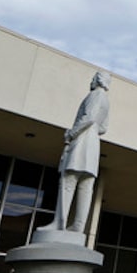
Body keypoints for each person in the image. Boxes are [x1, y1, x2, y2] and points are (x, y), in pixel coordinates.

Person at [48, 71, 110, 234]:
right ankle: (78, 226)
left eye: (93, 78)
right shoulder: (106, 100)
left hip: (82, 141)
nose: (91, 81)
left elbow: (88, 117)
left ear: (97, 80)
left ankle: (59, 223)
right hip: (93, 143)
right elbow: (103, 128)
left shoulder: (94, 95)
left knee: (69, 181)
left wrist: (71, 133)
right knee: (86, 186)